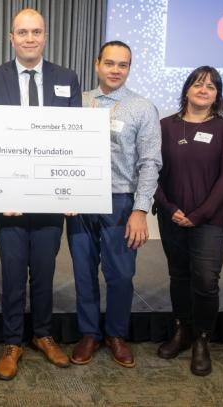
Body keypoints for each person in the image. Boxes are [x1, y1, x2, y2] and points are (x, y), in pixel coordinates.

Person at [0, 8, 82, 380]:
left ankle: (42, 333)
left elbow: (74, 138)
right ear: (11, 38)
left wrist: (73, 190)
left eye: (36, 32)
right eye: (22, 32)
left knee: (44, 270)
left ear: (45, 36)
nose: (29, 38)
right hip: (10, 201)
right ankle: (12, 341)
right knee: (11, 272)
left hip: (52, 196)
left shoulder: (67, 78)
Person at [67, 41, 161, 368]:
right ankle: (89, 333)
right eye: (110, 63)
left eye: (123, 65)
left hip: (121, 202)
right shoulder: (78, 104)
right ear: (97, 65)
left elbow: (150, 162)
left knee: (121, 275)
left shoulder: (142, 107)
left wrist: (140, 210)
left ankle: (116, 334)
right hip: (79, 202)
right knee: (83, 273)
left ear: (129, 68)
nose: (116, 70)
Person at [153, 66, 223, 376]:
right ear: (187, 89)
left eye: (211, 87)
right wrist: (169, 207)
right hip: (171, 216)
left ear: (217, 95)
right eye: (198, 84)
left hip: (209, 220)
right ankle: (183, 330)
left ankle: (202, 339)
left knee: (205, 281)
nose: (204, 90)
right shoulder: (164, 126)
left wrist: (199, 214)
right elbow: (153, 173)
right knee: (179, 276)